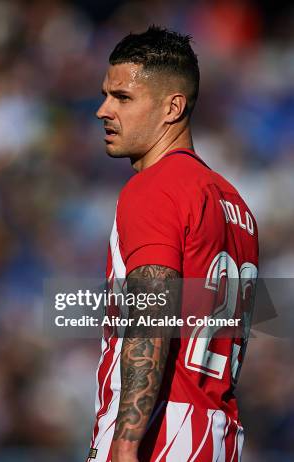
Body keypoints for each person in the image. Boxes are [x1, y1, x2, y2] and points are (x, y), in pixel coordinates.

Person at [88, 26, 258, 462]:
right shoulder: (236, 205)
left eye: (123, 97)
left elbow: (153, 312)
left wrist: (126, 444)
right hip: (218, 435)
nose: (103, 110)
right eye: (107, 95)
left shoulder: (155, 188)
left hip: (161, 435)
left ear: (173, 107)